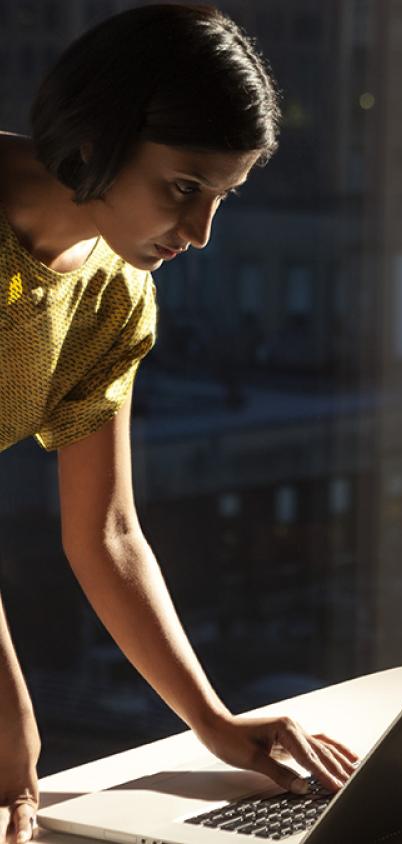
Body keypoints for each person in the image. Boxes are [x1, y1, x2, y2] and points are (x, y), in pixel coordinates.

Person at [0, 6, 358, 843]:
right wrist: (12, 716)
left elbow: (109, 533)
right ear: (97, 138)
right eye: (183, 188)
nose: (199, 234)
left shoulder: (111, 293)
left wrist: (215, 722)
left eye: (222, 199)